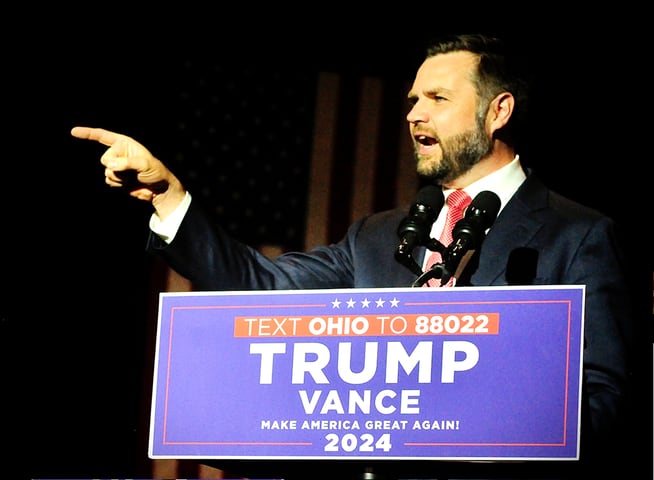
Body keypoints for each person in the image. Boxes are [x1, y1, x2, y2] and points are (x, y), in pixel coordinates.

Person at [71, 33, 636, 479]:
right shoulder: (374, 236)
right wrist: (170, 196)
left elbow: (608, 406)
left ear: (499, 111)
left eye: (438, 99)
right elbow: (259, 282)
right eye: (412, 99)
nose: (414, 113)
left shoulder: (579, 235)